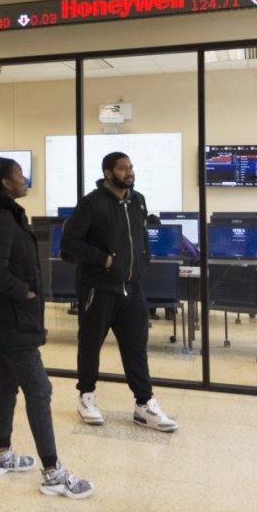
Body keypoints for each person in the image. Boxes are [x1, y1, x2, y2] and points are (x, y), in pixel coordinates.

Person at [0, 157, 93, 500]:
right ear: (5, 182)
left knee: (7, 381)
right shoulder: (2, 218)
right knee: (40, 389)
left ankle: (2, 455)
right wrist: (26, 293)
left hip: (2, 317)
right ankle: (53, 473)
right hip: (12, 319)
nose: (25, 179)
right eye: (19, 174)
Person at [60, 152, 178, 432]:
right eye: (122, 168)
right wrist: (106, 260)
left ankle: (144, 404)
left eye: (131, 167)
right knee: (90, 344)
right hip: (97, 287)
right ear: (108, 172)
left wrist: (143, 261)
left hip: (131, 288)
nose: (129, 172)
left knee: (135, 347)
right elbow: (69, 243)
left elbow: (141, 238)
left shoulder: (137, 201)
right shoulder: (91, 203)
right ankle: (86, 396)